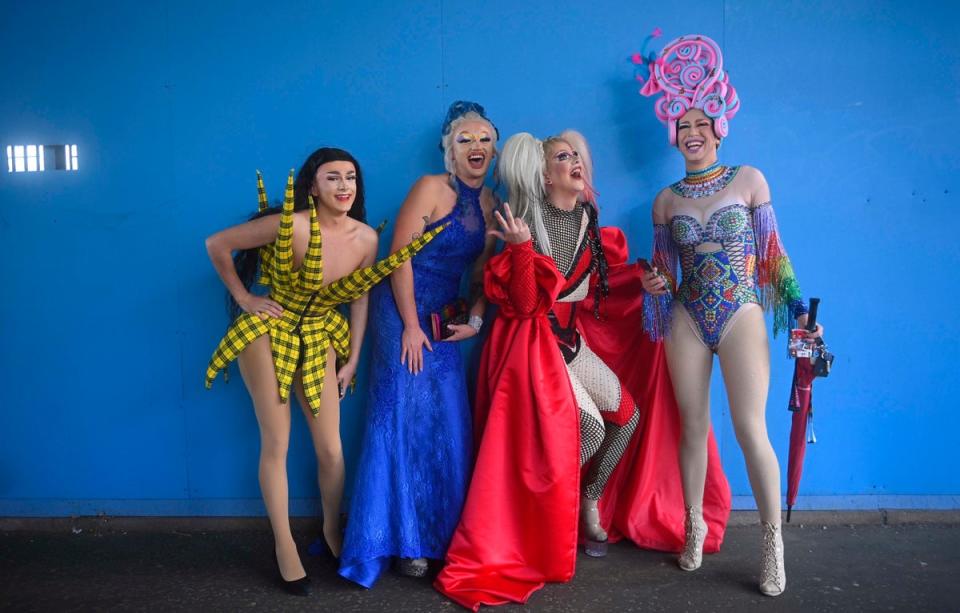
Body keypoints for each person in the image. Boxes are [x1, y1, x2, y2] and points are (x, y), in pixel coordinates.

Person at [434, 131, 730, 609]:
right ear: (545, 172)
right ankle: (546, 515)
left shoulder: (588, 217)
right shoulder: (525, 219)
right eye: (562, 157)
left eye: (577, 156)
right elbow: (529, 304)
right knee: (587, 429)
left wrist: (647, 281)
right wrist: (524, 249)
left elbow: (597, 290)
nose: (575, 163)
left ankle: (589, 496)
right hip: (533, 346)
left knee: (627, 416)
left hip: (571, 343)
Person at [204, 147, 445, 595]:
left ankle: (332, 531)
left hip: (320, 336)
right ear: (312, 186)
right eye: (332, 178)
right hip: (268, 333)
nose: (344, 187)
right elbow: (217, 244)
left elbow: (359, 297)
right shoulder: (288, 225)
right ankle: (284, 545)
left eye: (350, 177)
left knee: (331, 450)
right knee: (276, 442)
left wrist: (352, 358)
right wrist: (246, 299)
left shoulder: (367, 240)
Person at [636, 34, 824, 596]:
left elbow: (772, 255)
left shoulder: (749, 179)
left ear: (719, 125)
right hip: (687, 318)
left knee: (748, 428)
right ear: (672, 130)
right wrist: (654, 284)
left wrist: (796, 310)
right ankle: (693, 527)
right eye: (683, 125)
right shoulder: (665, 200)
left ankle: (772, 543)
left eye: (702, 123)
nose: (692, 134)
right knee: (691, 427)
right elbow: (667, 277)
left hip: (739, 312)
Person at [338, 101, 499, 587]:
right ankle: (402, 542)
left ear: (494, 148)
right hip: (401, 311)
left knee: (448, 418)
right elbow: (397, 258)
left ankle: (444, 539)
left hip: (444, 317)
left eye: (484, 139)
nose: (475, 146)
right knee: (401, 414)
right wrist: (409, 325)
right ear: (449, 149)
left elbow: (479, 275)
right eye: (465, 139)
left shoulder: (492, 203)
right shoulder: (431, 188)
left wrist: (474, 316)